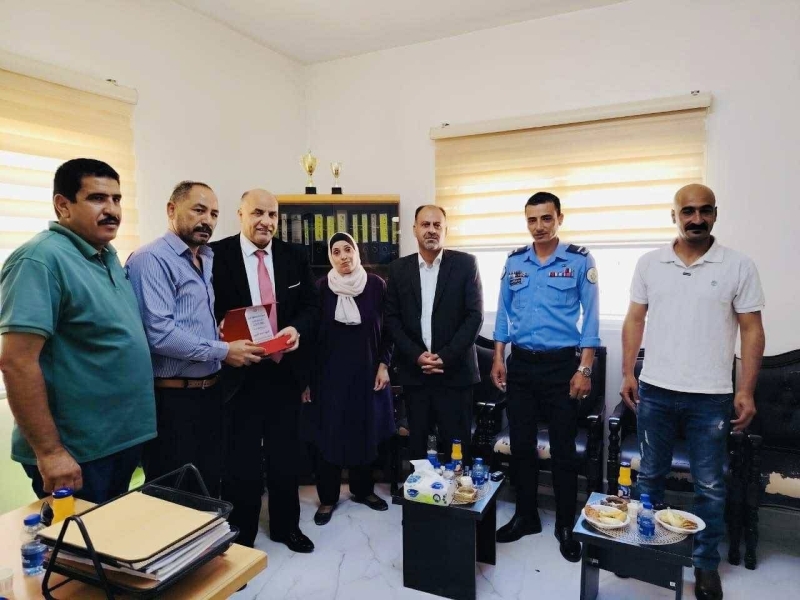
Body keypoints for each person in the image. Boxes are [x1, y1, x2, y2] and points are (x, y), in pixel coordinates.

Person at [620, 184, 765, 600]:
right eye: (688, 211)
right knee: (650, 476)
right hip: (656, 391)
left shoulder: (739, 265)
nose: (696, 219)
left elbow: (752, 329)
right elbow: (635, 319)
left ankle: (704, 565)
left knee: (710, 486)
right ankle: (645, 549)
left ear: (715, 214)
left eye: (705, 211)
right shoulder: (650, 263)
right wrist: (628, 372)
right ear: (675, 216)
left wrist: (746, 389)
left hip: (711, 397)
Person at [0, 158, 156, 503]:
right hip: (77, 452)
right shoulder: (40, 259)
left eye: (117, 199)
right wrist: (50, 452)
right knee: (78, 539)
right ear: (63, 205)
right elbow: (16, 362)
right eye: (97, 198)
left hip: (118, 443)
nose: (112, 210)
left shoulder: (106, 255)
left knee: (114, 534)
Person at [126, 181, 265, 497]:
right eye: (199, 210)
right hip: (173, 399)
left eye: (214, 214)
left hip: (210, 393)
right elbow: (159, 334)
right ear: (171, 209)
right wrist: (223, 350)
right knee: (174, 494)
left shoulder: (204, 257)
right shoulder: (151, 259)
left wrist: (218, 333)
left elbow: (189, 320)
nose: (208, 221)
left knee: (207, 484)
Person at [491, 191, 600, 561]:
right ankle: (526, 516)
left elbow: (592, 318)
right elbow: (503, 313)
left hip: (561, 368)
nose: (539, 227)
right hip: (521, 365)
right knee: (521, 445)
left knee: (563, 449)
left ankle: (565, 524)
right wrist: (498, 357)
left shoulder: (579, 260)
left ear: (559, 219)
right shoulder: (515, 261)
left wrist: (585, 368)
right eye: (532, 220)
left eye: (546, 218)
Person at [211, 189, 319, 553]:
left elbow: (311, 306)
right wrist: (220, 334)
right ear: (240, 214)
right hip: (239, 373)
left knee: (285, 456)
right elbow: (206, 308)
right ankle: (241, 535)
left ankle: (287, 527)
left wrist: (296, 329)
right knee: (240, 460)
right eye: (258, 213)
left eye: (272, 215)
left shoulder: (293, 255)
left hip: (283, 372)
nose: (266, 222)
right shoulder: (216, 255)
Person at [303, 232, 394, 525]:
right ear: (331, 257)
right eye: (336, 251)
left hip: (367, 373)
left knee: (365, 432)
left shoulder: (376, 285)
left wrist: (384, 364)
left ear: (357, 252)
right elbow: (309, 338)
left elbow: (389, 329)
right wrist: (306, 379)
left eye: (348, 249)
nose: (343, 256)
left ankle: (363, 490)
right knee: (328, 436)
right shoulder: (320, 288)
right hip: (328, 377)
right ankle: (328, 498)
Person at [385, 205, 483, 463]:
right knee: (418, 450)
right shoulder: (398, 269)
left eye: (437, 225)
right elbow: (392, 319)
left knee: (457, 451)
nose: (431, 230)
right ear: (414, 229)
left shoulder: (465, 264)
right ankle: (421, 491)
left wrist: (445, 357)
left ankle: (457, 491)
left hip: (455, 374)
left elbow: (474, 317)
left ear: (445, 230)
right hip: (415, 375)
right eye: (425, 224)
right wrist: (417, 355)